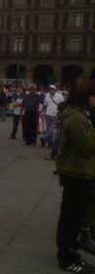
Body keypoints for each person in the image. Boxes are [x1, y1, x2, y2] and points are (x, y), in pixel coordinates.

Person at [55, 79, 95, 273]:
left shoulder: (79, 115)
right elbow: (87, 148)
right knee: (70, 218)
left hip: (79, 172)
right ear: (85, 97)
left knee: (74, 217)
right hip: (76, 173)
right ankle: (66, 257)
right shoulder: (77, 119)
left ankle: (70, 250)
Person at [41, 85, 64, 149]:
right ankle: (49, 144)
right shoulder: (47, 95)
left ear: (55, 89)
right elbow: (45, 105)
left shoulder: (59, 96)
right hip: (48, 114)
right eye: (50, 89)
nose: (51, 90)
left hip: (55, 115)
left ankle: (44, 138)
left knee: (52, 130)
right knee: (48, 129)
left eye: (52, 89)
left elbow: (62, 105)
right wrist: (42, 112)